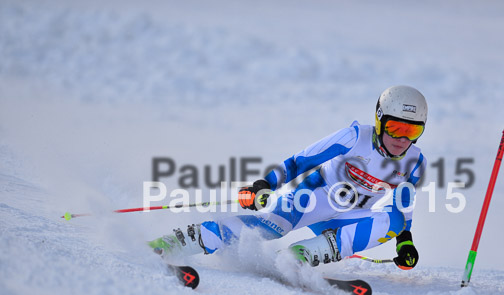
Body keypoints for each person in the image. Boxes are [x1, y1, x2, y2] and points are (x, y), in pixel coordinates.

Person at [149, 85, 427, 270]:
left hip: (347, 219)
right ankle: (175, 244)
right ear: (379, 120)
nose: (402, 139)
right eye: (395, 127)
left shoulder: (415, 163)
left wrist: (405, 241)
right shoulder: (355, 137)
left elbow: (402, 205)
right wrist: (265, 184)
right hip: (314, 197)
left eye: (412, 132)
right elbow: (299, 161)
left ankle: (299, 257)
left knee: (393, 221)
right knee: (269, 228)